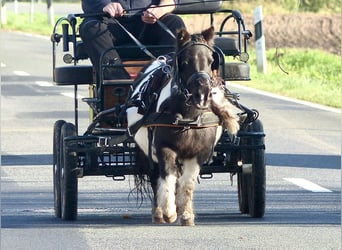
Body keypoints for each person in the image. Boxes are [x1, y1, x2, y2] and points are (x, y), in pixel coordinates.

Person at [80, 0, 185, 79]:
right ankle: (119, 84)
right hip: (112, 22)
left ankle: (167, 78)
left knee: (175, 23)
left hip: (149, 22)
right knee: (91, 27)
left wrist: (160, 9)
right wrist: (105, 6)